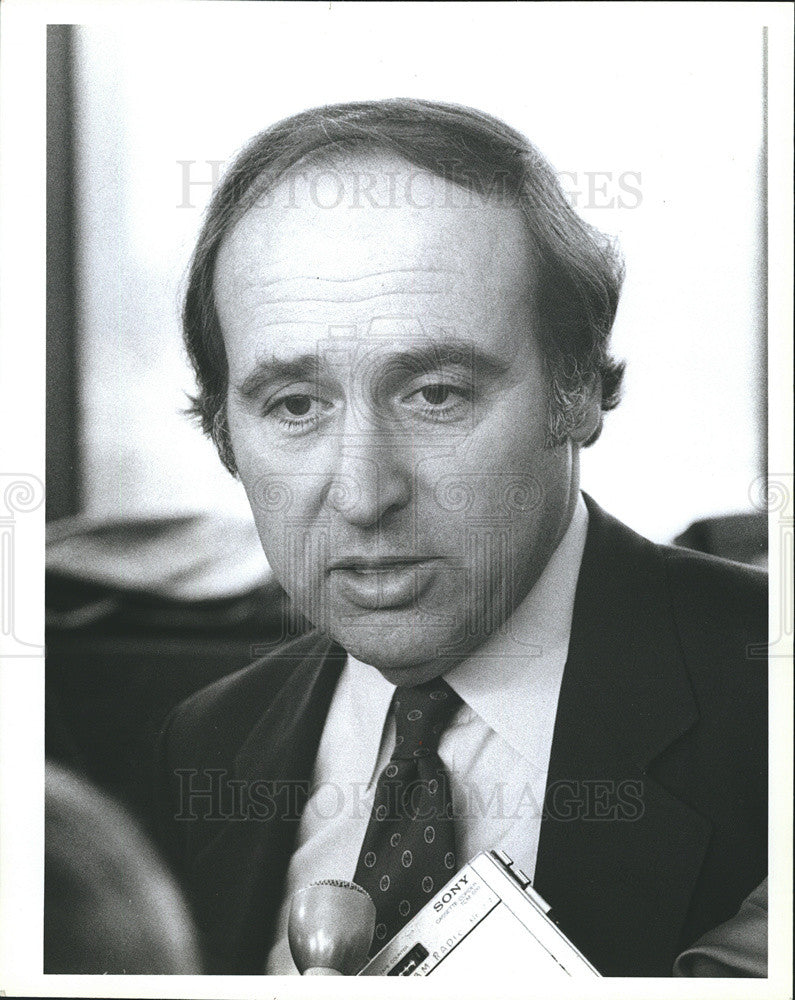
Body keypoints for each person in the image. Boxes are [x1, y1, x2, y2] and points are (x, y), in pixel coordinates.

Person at [152, 99, 767, 977]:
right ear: (224, 435)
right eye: (295, 406)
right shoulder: (208, 743)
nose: (363, 496)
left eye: (434, 393)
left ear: (578, 388)